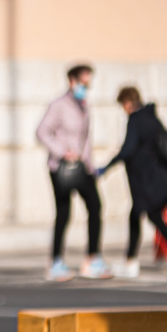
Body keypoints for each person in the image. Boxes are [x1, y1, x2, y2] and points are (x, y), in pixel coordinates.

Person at [97, 86, 167, 283]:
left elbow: (128, 150)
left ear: (127, 102)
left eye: (123, 105)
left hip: (147, 182)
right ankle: (130, 261)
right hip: (161, 179)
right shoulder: (152, 117)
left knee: (154, 217)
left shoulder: (135, 120)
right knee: (136, 215)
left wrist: (105, 168)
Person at [36, 64, 110, 281]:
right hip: (61, 169)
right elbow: (41, 131)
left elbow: (85, 140)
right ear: (72, 81)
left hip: (82, 168)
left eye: (88, 83)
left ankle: (92, 258)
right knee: (64, 213)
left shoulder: (84, 106)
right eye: (83, 82)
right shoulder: (58, 105)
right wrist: (62, 151)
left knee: (95, 206)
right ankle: (56, 261)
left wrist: (90, 165)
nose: (86, 87)